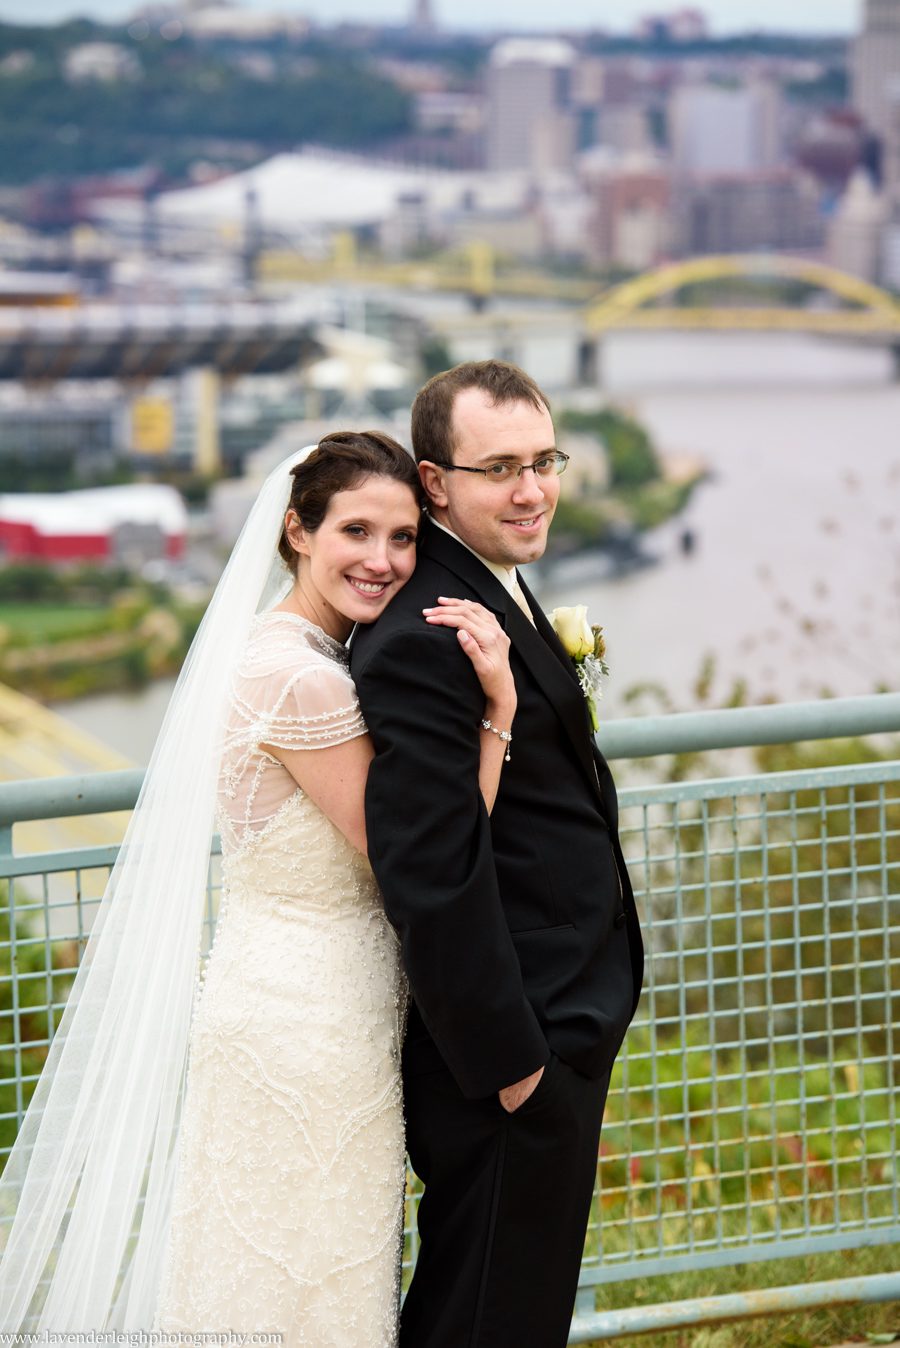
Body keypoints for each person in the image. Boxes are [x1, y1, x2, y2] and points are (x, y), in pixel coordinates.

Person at [0, 431, 516, 1343]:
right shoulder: (300, 679)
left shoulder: (294, 651)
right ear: (297, 531)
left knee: (279, 1280)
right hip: (306, 1028)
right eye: (355, 531)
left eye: (402, 537)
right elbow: (422, 859)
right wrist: (499, 713)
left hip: (301, 1005)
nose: (383, 560)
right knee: (304, 1288)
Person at [351, 362, 644, 1348]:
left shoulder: (494, 581)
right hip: (514, 1047)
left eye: (544, 461)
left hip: (560, 1015)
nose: (532, 490)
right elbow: (429, 874)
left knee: (517, 1309)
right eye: (501, 469)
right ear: (435, 483)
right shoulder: (423, 636)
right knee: (485, 1318)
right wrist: (514, 1064)